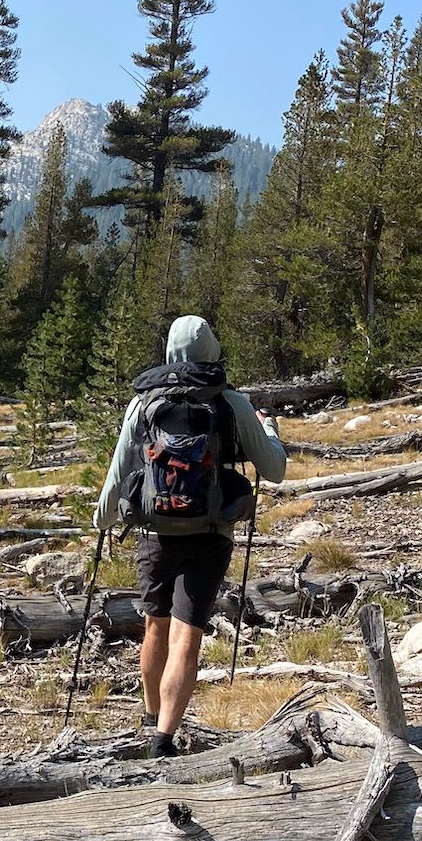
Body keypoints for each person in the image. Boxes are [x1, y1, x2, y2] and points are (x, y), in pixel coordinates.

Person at [95, 315, 286, 757]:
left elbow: (119, 470)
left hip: (154, 531)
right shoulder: (231, 402)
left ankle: (148, 717)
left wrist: (101, 520)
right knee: (187, 635)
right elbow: (274, 470)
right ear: (212, 351)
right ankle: (162, 741)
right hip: (209, 530)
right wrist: (270, 429)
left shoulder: (143, 403)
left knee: (154, 627)